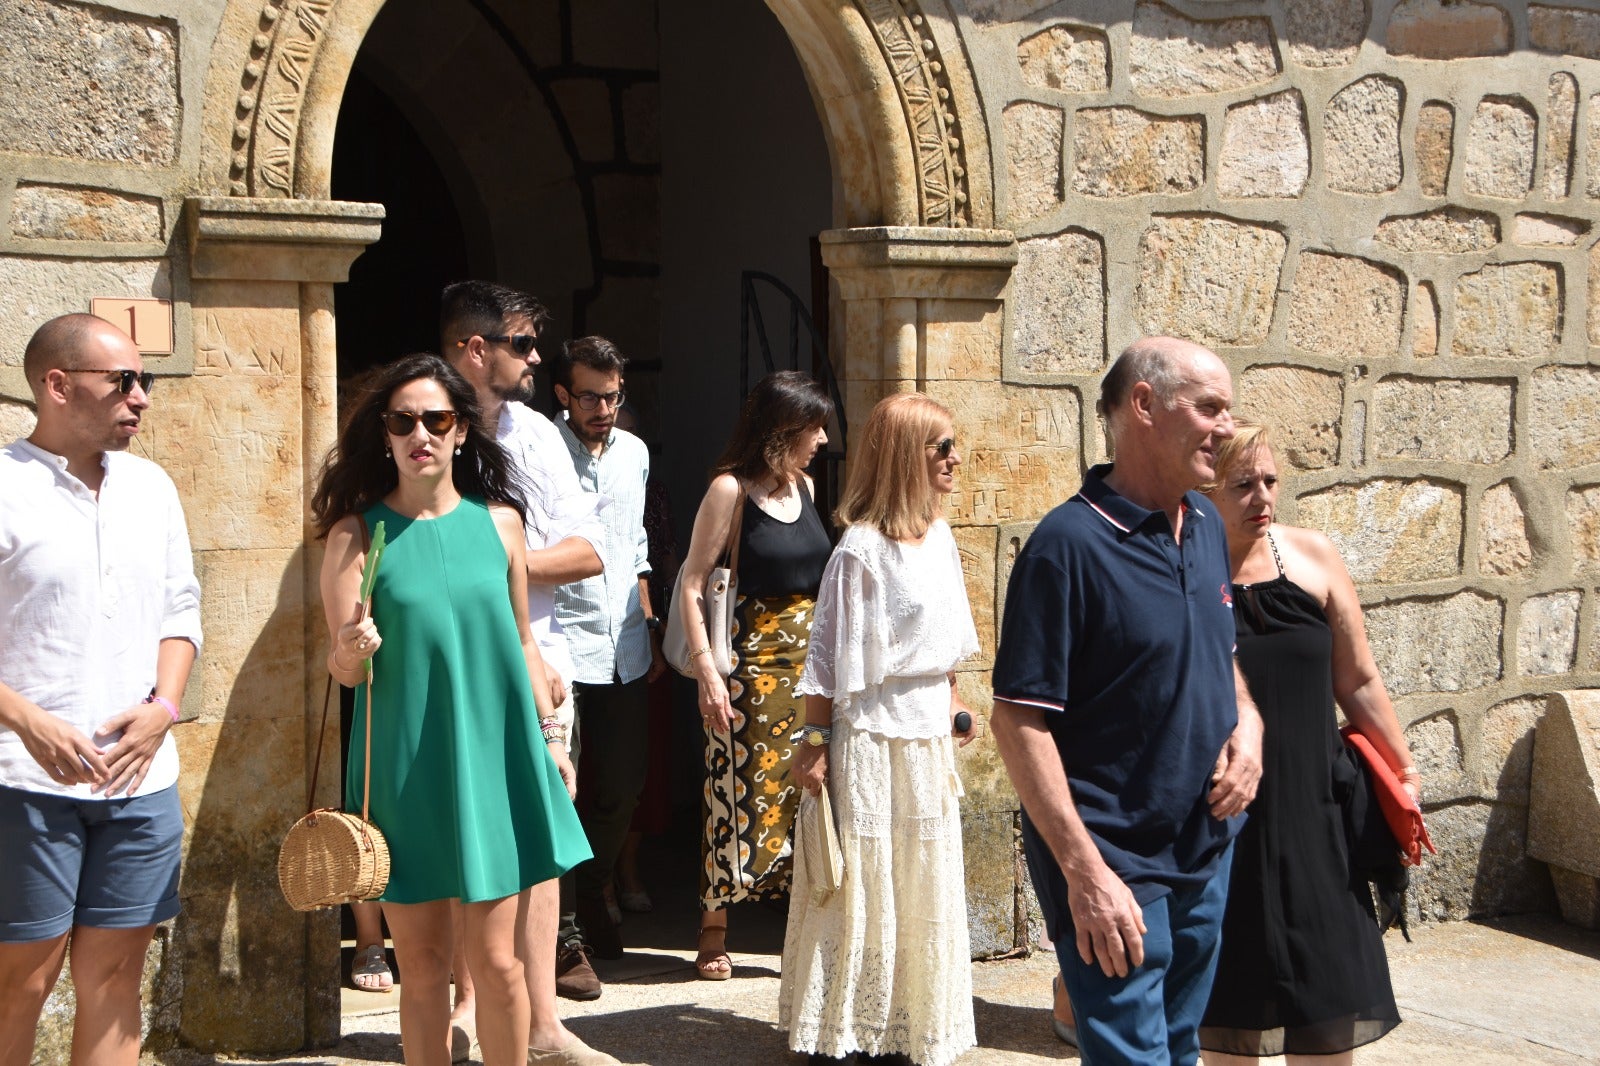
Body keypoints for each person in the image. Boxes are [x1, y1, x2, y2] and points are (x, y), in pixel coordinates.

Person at [312, 353, 613, 1066]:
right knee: (419, 970)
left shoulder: (502, 524)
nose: (420, 433)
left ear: (461, 433)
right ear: (383, 434)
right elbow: (344, 672)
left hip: (495, 758)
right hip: (404, 764)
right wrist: (353, 645)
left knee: (500, 963)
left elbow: (522, 642)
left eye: (436, 419)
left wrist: (552, 739)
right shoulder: (357, 536)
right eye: (403, 420)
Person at [989, 336, 1264, 1066]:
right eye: (1209, 407)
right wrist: (1085, 874)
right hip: (1111, 856)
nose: (1227, 427)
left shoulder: (1205, 526)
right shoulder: (1065, 547)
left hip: (1203, 846)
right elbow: (1018, 721)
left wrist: (1252, 729)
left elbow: (1221, 657)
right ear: (1143, 405)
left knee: (1179, 1052)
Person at [0, 314, 201, 1066]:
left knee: (118, 973)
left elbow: (181, 610)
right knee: (22, 978)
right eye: (123, 381)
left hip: (141, 782)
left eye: (143, 380)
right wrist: (28, 722)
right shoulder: (5, 485)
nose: (142, 397)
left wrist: (164, 710)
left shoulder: (152, 487)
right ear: (57, 385)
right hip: (23, 781)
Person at [1197, 421, 1410, 1063]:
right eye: (1242, 485)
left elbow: (1359, 677)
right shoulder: (1178, 568)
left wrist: (1402, 769)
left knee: (1328, 1003)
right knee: (1230, 1011)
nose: (1261, 497)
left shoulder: (1314, 555)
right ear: (1204, 490)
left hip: (1317, 815)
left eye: (1269, 481)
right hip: (1220, 817)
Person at [781, 392, 982, 1066]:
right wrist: (814, 748)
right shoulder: (860, 550)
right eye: (940, 447)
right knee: (867, 880)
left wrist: (954, 708)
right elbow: (827, 660)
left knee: (920, 879)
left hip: (925, 733)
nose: (954, 459)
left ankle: (913, 1020)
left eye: (953, 445)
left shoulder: (944, 536)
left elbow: (948, 644)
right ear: (905, 457)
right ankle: (856, 1028)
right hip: (867, 733)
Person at [440, 281, 608, 1007]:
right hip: (450, 667)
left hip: (543, 662)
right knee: (457, 836)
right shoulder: (419, 423)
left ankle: (542, 1020)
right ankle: (467, 1004)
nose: (537, 358)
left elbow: (589, 551)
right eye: (522, 344)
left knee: (539, 845)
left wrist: (502, 567)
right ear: (474, 350)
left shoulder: (539, 434)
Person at [677, 370, 833, 980]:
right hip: (746, 668)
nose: (822, 438)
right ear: (781, 429)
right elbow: (692, 583)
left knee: (805, 794)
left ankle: (802, 925)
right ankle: (713, 929)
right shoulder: (730, 490)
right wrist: (707, 675)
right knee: (734, 794)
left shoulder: (809, 490)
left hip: (811, 667)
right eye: (813, 426)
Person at [551, 337, 664, 961]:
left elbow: (635, 541)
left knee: (622, 785)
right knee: (558, 786)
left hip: (624, 645)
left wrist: (648, 619)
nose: (603, 408)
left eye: (613, 396)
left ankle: (594, 891)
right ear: (564, 393)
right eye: (590, 395)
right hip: (561, 644)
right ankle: (564, 929)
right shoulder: (542, 452)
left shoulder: (635, 453)